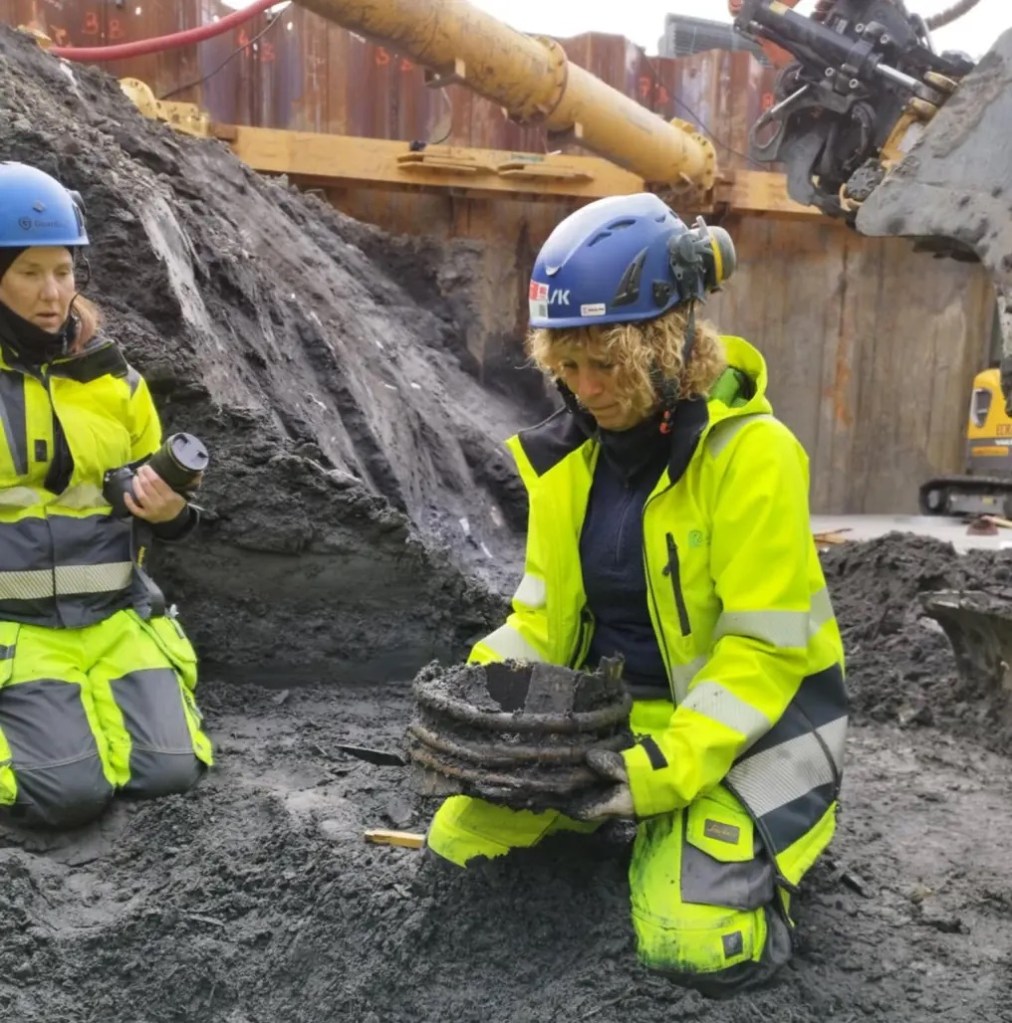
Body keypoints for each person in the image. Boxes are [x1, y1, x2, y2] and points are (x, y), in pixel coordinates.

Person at [425, 193, 847, 995]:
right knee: (460, 853)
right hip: (619, 726)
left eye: (607, 364)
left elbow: (762, 652)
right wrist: (475, 690)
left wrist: (660, 769)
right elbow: (542, 619)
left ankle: (756, 849)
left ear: (669, 340)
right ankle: (639, 835)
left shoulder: (754, 457)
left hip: (757, 734)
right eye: (568, 366)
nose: (586, 389)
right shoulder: (569, 462)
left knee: (695, 946)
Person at [0, 161, 213, 829]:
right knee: (66, 795)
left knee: (170, 771)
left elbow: (166, 518)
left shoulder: (114, 379)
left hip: (116, 618)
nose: (51, 292)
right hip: (16, 632)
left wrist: (170, 510)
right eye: (29, 272)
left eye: (62, 271)